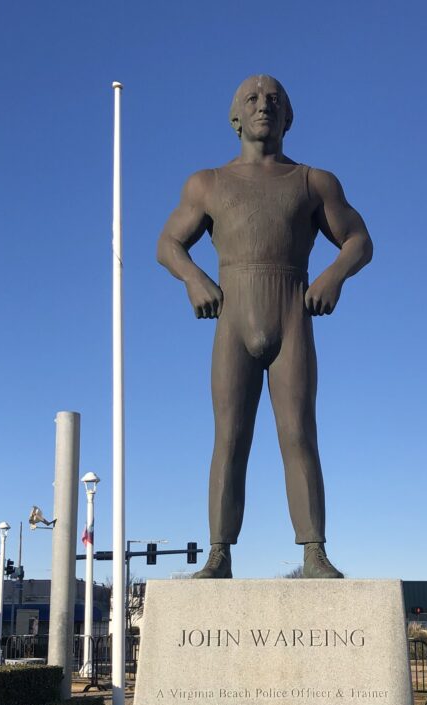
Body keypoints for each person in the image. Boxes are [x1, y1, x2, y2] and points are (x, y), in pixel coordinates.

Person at [157, 74, 373, 579]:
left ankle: (314, 550)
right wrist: (193, 279)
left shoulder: (314, 181)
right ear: (235, 117)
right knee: (230, 437)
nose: (264, 106)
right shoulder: (206, 183)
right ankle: (219, 553)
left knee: (298, 432)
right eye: (252, 99)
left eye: (274, 100)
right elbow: (168, 244)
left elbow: (359, 240)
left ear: (288, 117)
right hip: (234, 317)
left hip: (291, 315)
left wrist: (332, 277)